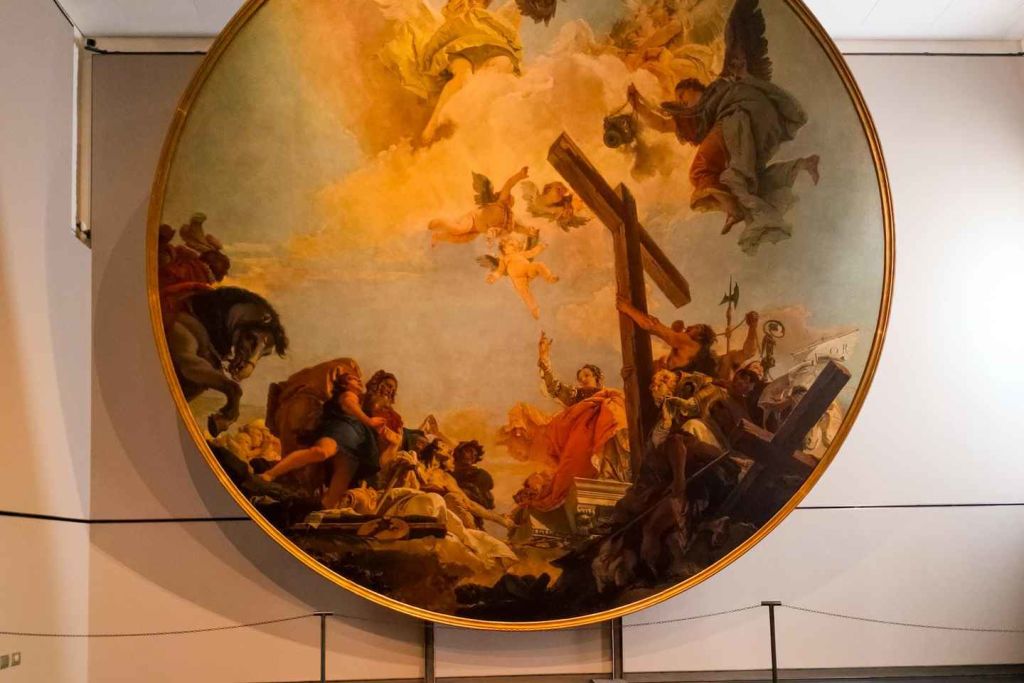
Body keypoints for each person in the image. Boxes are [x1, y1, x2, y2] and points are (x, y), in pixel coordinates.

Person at [525, 333, 631, 511]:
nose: (582, 379)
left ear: (598, 378)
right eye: (580, 377)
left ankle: (611, 472)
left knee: (612, 412)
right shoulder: (577, 395)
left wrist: (626, 379)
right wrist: (544, 356)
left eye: (587, 375)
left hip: (607, 436)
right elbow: (553, 387)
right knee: (570, 468)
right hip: (581, 439)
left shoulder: (611, 398)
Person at [259, 373, 384, 509]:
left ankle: (320, 511)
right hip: (339, 432)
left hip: (353, 442)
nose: (358, 380)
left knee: (339, 484)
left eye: (358, 379)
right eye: (353, 379)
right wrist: (369, 421)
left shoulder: (359, 400)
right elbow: (349, 405)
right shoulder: (348, 394)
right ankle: (270, 474)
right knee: (321, 452)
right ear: (344, 384)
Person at [484, 236, 559, 320]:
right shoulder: (504, 259)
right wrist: (493, 277)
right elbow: (500, 271)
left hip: (527, 269)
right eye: (511, 245)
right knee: (524, 293)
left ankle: (549, 277)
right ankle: (534, 309)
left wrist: (541, 246)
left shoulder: (520, 254)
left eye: (515, 245)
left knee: (538, 265)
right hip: (518, 278)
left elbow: (532, 252)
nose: (514, 247)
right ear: (504, 249)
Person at [452, 440, 495, 527]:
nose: (472, 456)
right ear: (459, 452)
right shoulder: (448, 472)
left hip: (472, 518)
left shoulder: (481, 474)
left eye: (475, 455)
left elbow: (486, 504)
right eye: (469, 451)